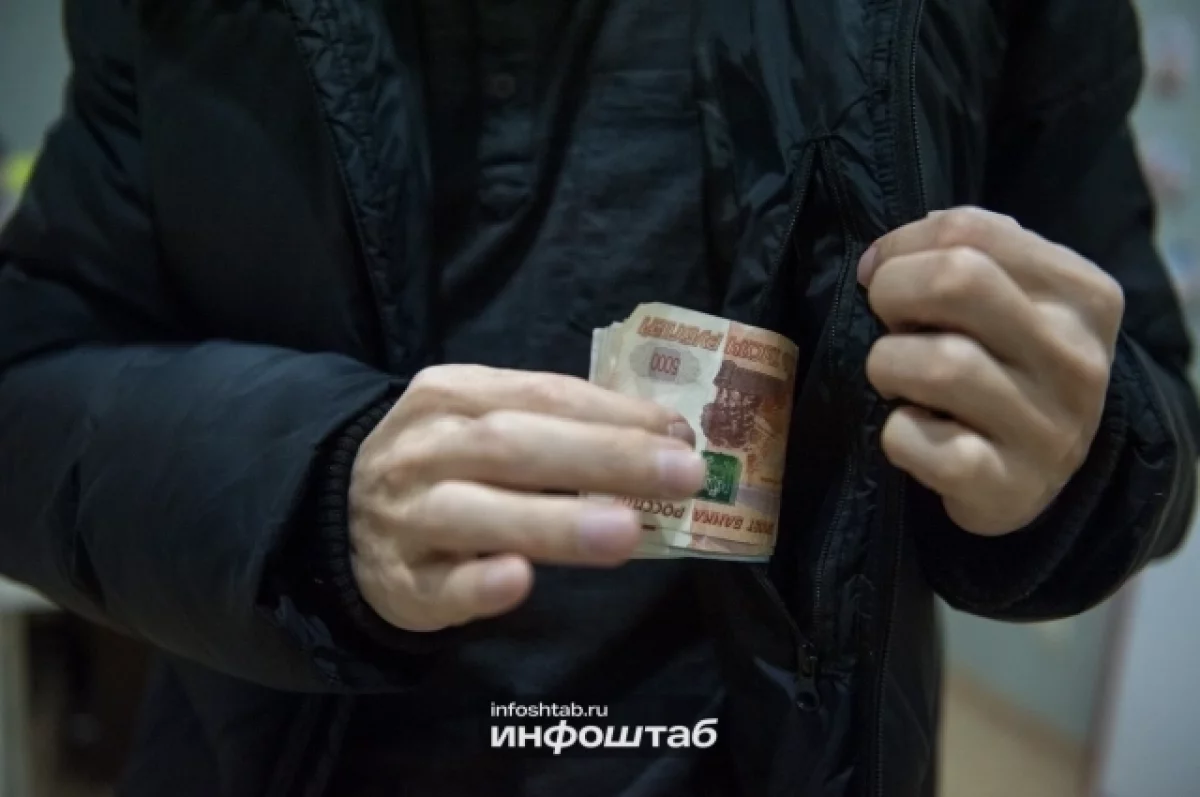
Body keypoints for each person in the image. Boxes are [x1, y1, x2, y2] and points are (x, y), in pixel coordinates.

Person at [1, 1, 1196, 796]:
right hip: (286, 749)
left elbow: (1149, 409)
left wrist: (1081, 456)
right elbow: (28, 384)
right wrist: (307, 486)